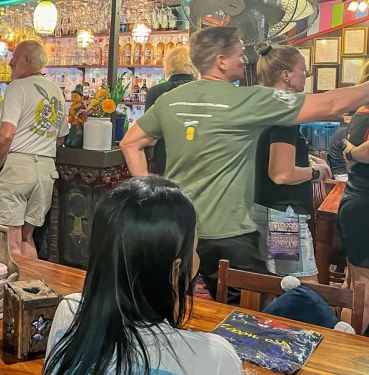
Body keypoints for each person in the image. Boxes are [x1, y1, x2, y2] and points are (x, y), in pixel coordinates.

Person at [121, 26, 369, 293]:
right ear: (221, 61)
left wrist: (152, 194)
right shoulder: (245, 99)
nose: (244, 60)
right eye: (238, 54)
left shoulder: (170, 100)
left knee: (176, 301)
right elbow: (330, 104)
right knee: (251, 308)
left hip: (178, 227)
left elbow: (130, 143)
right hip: (227, 233)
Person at [43, 176, 247, 375]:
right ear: (175, 270)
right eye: (195, 250)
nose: (197, 259)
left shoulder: (69, 312)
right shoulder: (215, 360)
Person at [0, 40, 68, 258]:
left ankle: (13, 281)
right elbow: (60, 137)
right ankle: (32, 280)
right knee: (27, 237)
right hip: (46, 170)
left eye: (15, 57)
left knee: (10, 241)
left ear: (27, 59)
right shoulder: (56, 91)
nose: (10, 62)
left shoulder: (17, 87)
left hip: (17, 169)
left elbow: (6, 135)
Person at [253, 43, 331, 282]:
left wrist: (305, 158)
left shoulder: (260, 105)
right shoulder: (287, 112)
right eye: (303, 69)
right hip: (282, 217)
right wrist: (315, 171)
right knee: (302, 286)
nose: (307, 74)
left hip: (262, 206)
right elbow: (281, 173)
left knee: (274, 282)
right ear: (286, 75)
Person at [338, 60, 369, 333]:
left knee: (353, 282)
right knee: (362, 289)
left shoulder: (360, 109)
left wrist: (350, 151)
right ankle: (349, 349)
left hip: (355, 199)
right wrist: (352, 152)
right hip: (363, 203)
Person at [144, 46, 197, 174]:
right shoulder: (204, 90)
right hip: (197, 157)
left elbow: (148, 134)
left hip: (164, 157)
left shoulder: (156, 91)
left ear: (168, 65)